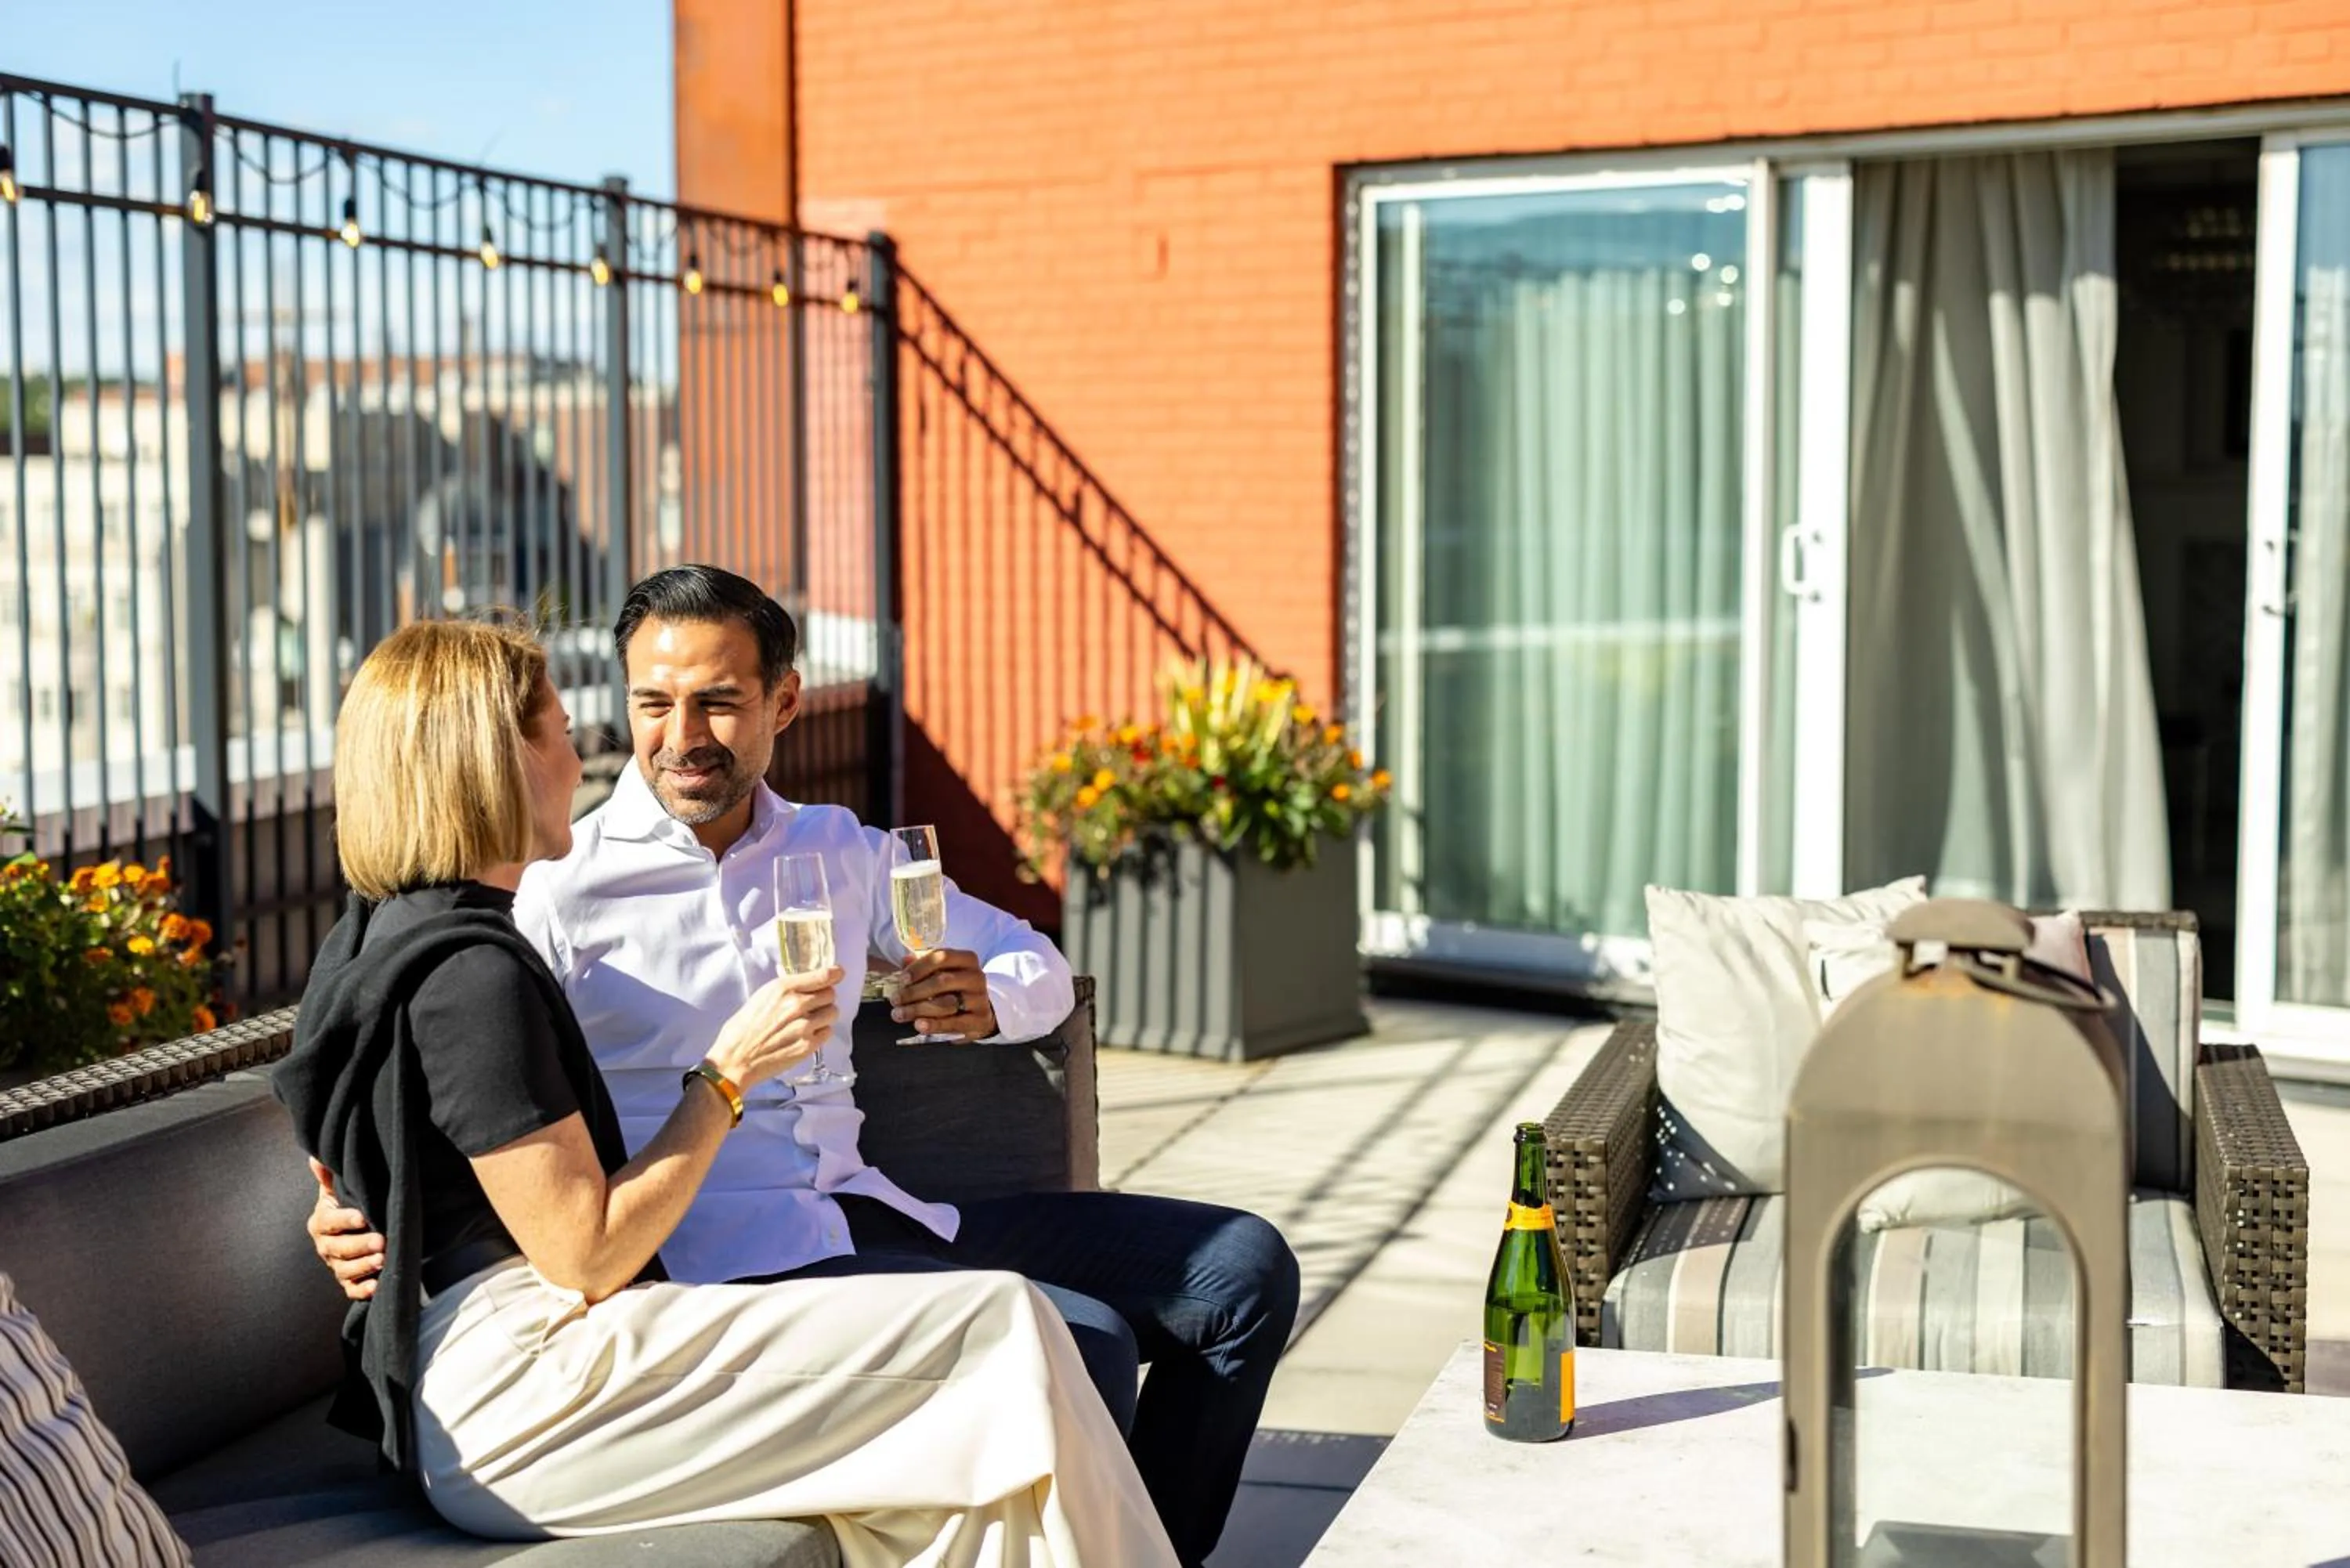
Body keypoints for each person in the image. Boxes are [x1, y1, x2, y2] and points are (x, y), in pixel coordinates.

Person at [309, 565, 1299, 1568]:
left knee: (1240, 1271)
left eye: (718, 701)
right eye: (651, 703)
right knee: (1080, 1341)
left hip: (859, 1207)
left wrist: (989, 999)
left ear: (784, 702)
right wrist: (355, 1199)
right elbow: (434, 1060)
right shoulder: (551, 887)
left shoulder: (840, 848)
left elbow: (1032, 960)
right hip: (700, 1255)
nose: (679, 735)